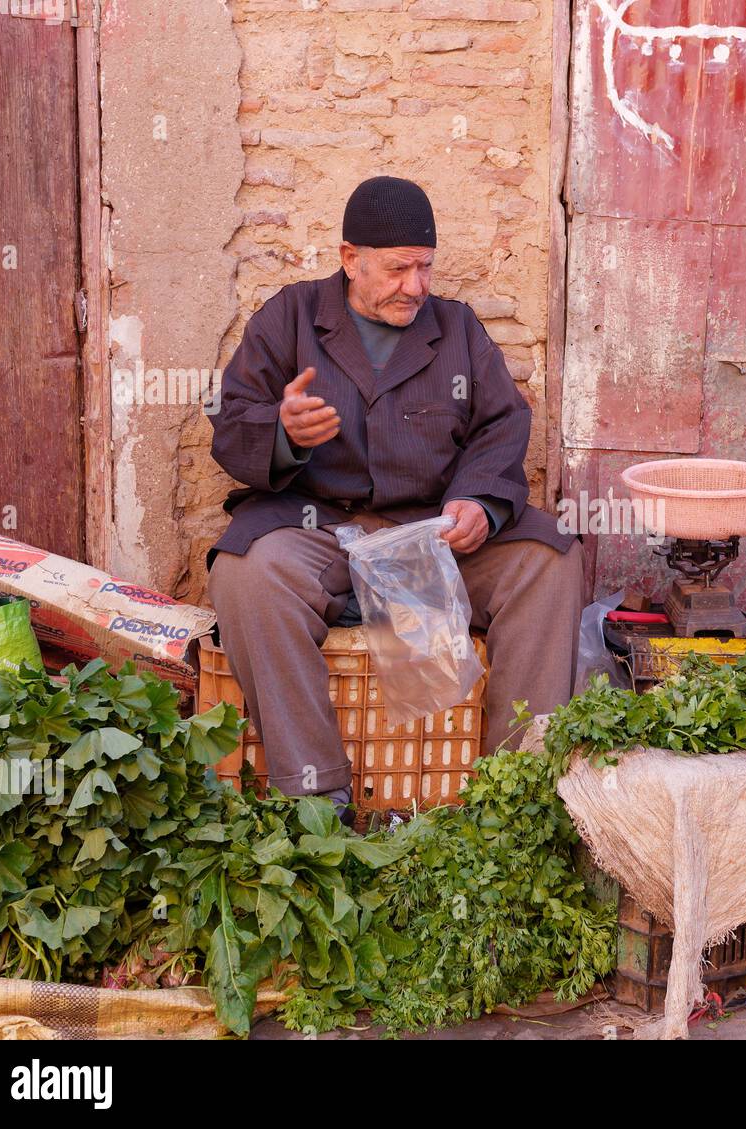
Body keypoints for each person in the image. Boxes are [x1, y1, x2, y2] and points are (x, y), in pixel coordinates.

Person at [206, 176, 584, 822]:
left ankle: (513, 799)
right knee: (248, 574)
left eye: (425, 267)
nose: (416, 285)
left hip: (427, 537)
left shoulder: (457, 329)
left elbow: (502, 423)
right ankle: (318, 802)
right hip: (320, 533)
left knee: (550, 561)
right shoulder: (291, 319)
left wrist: (477, 503)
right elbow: (231, 420)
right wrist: (283, 433)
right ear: (351, 259)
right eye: (399, 268)